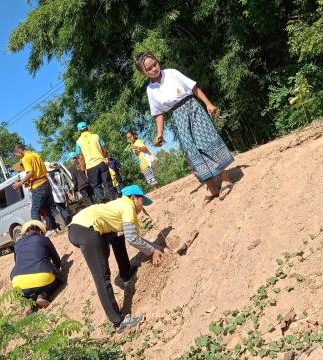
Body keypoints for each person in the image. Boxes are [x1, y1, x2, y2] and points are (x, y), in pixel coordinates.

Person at [135, 52, 235, 205]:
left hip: (193, 109)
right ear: (143, 73)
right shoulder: (151, 90)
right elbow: (158, 113)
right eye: (149, 69)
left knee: (206, 142)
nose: (154, 69)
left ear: (157, 61)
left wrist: (208, 104)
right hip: (177, 118)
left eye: (155, 64)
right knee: (192, 151)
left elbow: (194, 88)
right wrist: (159, 133)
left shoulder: (172, 73)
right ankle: (212, 187)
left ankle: (225, 179)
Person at [68, 184, 165, 333]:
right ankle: (119, 322)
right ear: (133, 198)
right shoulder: (128, 207)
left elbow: (130, 236)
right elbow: (133, 239)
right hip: (86, 230)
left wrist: (154, 248)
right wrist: (153, 251)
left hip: (84, 227)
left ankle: (126, 273)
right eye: (142, 202)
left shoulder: (118, 205)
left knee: (118, 236)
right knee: (102, 276)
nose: (141, 207)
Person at [10, 220, 62, 314]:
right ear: (40, 231)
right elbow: (57, 261)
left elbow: (18, 263)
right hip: (42, 279)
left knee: (28, 286)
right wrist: (57, 270)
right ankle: (43, 294)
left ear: (25, 233)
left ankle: (32, 301)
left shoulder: (17, 245)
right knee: (58, 279)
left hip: (19, 284)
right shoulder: (44, 239)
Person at [12, 144, 67, 230]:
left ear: (19, 151)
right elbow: (42, 170)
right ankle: (64, 227)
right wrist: (29, 182)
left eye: (17, 155)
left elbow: (30, 173)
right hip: (46, 183)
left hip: (38, 187)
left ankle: (40, 233)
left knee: (35, 211)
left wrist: (20, 183)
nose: (18, 157)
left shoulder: (25, 158)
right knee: (52, 208)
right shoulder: (36, 155)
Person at [75, 122, 116, 202]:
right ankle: (113, 201)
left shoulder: (78, 142)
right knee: (107, 183)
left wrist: (84, 169)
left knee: (96, 186)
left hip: (91, 167)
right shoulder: (96, 136)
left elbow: (80, 157)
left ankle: (103, 203)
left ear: (79, 131)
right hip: (101, 163)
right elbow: (104, 148)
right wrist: (105, 157)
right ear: (87, 128)